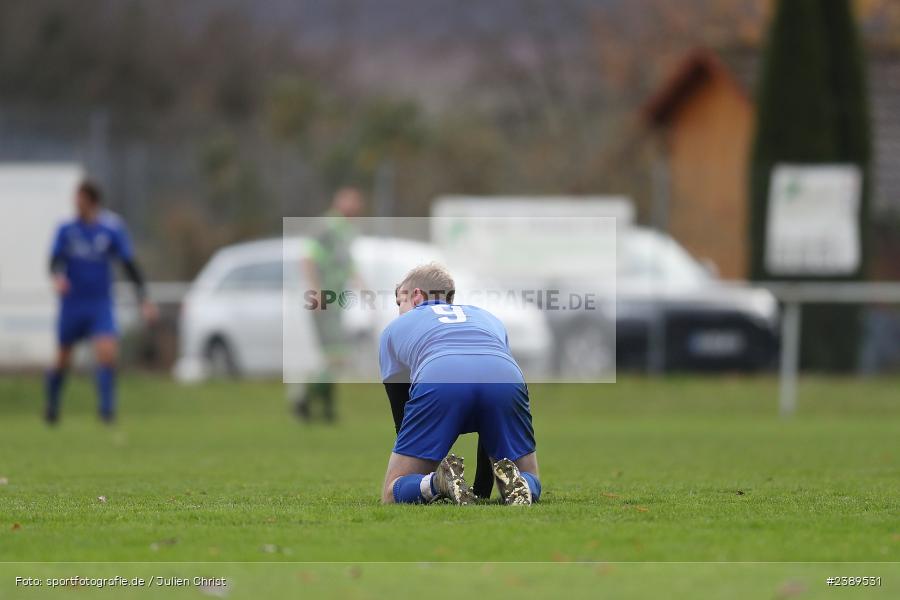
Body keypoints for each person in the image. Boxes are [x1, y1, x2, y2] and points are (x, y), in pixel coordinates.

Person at [379, 263, 542, 505]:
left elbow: (402, 420)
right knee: (527, 474)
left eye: (399, 302)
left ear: (416, 296)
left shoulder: (393, 330)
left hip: (441, 374)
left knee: (392, 492)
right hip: (505, 375)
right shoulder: (488, 318)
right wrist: (481, 492)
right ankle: (522, 484)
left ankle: (438, 482)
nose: (399, 311)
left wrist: (424, 472)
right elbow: (491, 431)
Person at [45, 180, 156, 424]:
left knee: (107, 353)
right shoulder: (66, 229)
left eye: (80, 199)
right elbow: (53, 261)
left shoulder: (111, 228)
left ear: (92, 202)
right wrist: (57, 279)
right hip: (73, 303)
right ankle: (52, 408)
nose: (76, 204)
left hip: (99, 303)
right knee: (63, 358)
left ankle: (107, 412)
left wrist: (144, 298)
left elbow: (128, 265)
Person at [293, 187, 364, 423]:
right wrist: (315, 290)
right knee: (336, 356)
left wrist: (363, 287)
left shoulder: (346, 231)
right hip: (324, 300)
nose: (355, 209)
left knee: (333, 357)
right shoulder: (325, 226)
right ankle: (305, 399)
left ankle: (320, 407)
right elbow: (308, 257)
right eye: (351, 204)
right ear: (340, 203)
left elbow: (347, 265)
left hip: (336, 301)